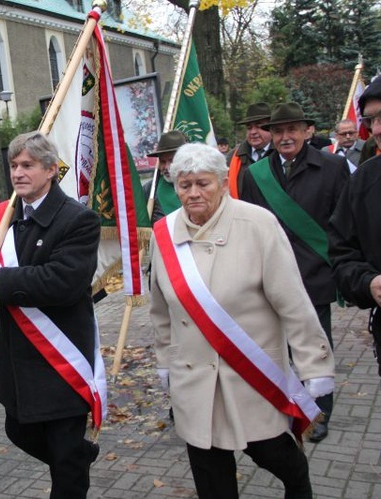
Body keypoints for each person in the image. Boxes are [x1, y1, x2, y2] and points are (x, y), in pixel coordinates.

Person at [150, 143, 335, 499]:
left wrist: (315, 366)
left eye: (202, 183)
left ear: (222, 182)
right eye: (184, 185)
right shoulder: (164, 233)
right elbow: (161, 312)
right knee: (211, 479)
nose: (193, 193)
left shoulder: (258, 223)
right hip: (194, 381)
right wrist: (164, 364)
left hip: (251, 375)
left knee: (281, 461)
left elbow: (293, 303)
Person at [0, 131, 104, 498]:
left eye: (27, 165)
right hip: (17, 359)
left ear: (50, 170)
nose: (18, 173)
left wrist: (3, 278)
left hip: (60, 358)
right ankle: (77, 457)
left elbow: (65, 282)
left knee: (64, 464)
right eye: (14, 165)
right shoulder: (2, 216)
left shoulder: (78, 219)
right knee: (20, 430)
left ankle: (72, 464)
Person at [240, 102, 349, 442]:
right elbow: (249, 227)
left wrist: (335, 265)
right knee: (277, 346)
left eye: (292, 130)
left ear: (307, 131)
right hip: (272, 277)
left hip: (315, 273)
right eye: (279, 131)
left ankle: (319, 414)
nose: (285, 137)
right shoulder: (255, 175)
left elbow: (343, 223)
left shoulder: (332, 167)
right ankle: (287, 406)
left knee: (316, 345)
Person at [329, 67, 381, 492]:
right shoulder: (367, 179)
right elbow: (342, 253)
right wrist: (368, 283)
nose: (379, 128)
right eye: (372, 120)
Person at [227, 102, 273, 198]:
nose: (253, 132)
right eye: (249, 128)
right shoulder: (233, 157)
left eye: (258, 126)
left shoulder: (281, 154)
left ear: (271, 128)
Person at [141, 130, 188, 224]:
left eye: (171, 160)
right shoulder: (150, 189)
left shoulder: (198, 186)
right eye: (163, 161)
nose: (167, 167)